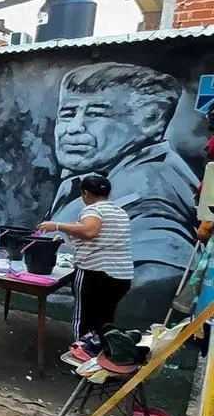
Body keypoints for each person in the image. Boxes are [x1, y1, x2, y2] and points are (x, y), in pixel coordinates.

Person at [45, 63, 197, 313]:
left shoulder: (148, 190)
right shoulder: (97, 177)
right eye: (68, 113)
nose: (74, 128)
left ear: (151, 120)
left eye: (96, 113)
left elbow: (158, 274)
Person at [39, 175, 133, 342]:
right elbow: (101, 239)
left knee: (83, 320)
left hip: (95, 274)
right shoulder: (120, 212)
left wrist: (57, 226)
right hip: (121, 277)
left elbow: (90, 231)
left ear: (85, 193)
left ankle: (79, 357)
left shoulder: (93, 210)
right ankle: (99, 360)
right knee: (104, 321)